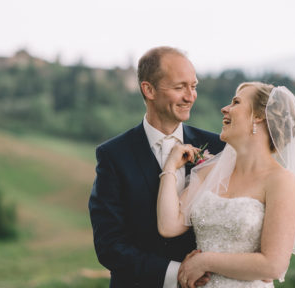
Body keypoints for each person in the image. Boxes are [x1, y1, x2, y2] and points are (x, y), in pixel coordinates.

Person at [157, 82, 295, 288]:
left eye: (236, 102)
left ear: (259, 115)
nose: (224, 108)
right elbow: (168, 225)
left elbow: (274, 265)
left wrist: (205, 261)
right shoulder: (210, 172)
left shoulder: (281, 181)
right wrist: (170, 167)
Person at [88, 46, 225, 287]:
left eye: (193, 86)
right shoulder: (112, 155)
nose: (190, 96)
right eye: (179, 87)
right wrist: (176, 273)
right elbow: (109, 246)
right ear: (149, 90)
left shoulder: (218, 147)